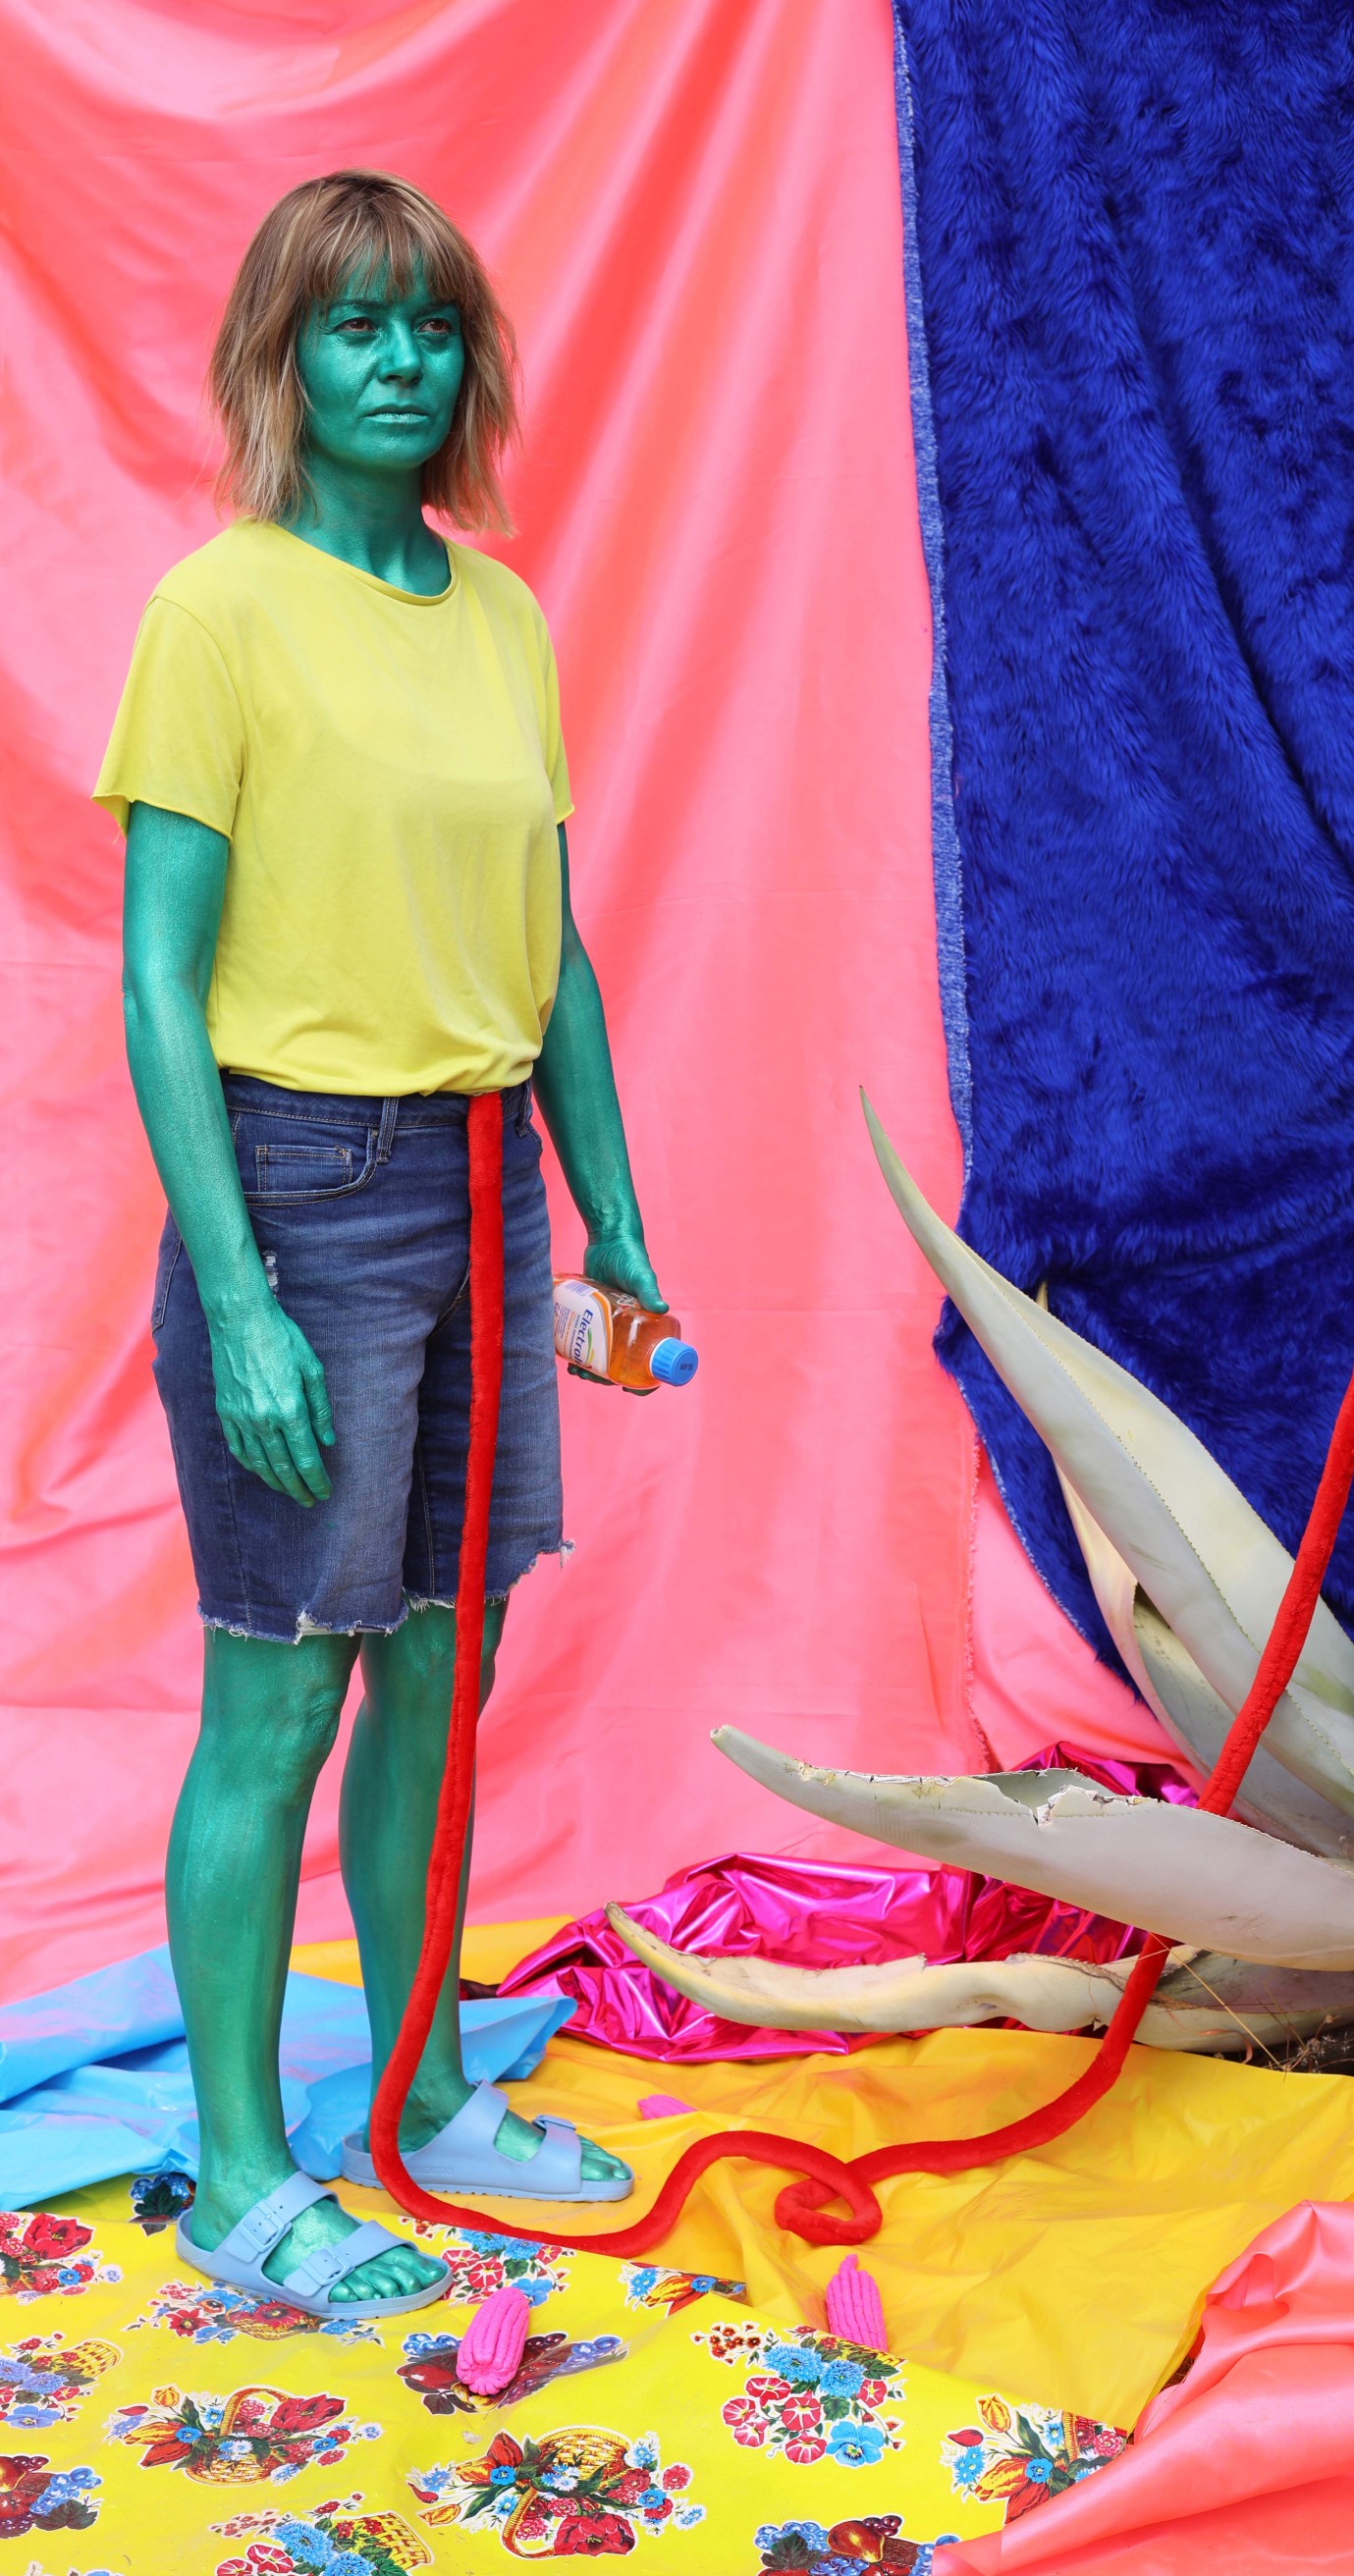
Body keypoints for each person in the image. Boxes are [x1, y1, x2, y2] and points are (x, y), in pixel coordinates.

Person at [98, 171, 658, 2318]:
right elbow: (158, 984)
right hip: (300, 1190)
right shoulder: (218, 614)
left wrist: (612, 1212)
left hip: (484, 1186)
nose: (403, 359)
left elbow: (551, 947)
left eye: (432, 323)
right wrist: (237, 1290)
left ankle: (421, 2092)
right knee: (281, 1690)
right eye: (356, 325)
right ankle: (243, 2176)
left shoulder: (499, 617)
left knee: (443, 1657)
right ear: (284, 357)